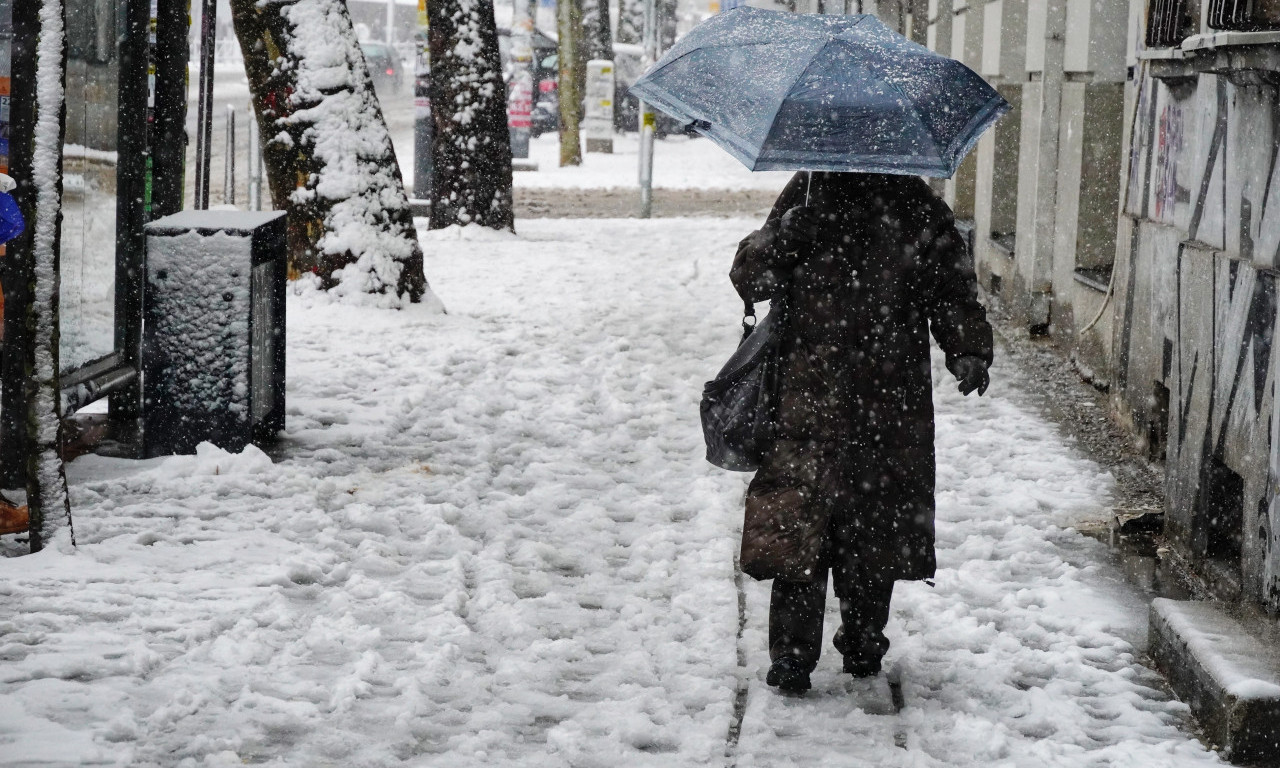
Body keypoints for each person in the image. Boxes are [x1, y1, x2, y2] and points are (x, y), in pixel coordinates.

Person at [731, 170, 993, 693]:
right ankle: (791, 655)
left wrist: (967, 348)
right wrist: (783, 237)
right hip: (808, 397)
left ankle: (864, 641)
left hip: (888, 398)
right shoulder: (807, 191)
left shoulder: (914, 204)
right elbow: (747, 277)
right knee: (798, 527)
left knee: (876, 526)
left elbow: (951, 286)